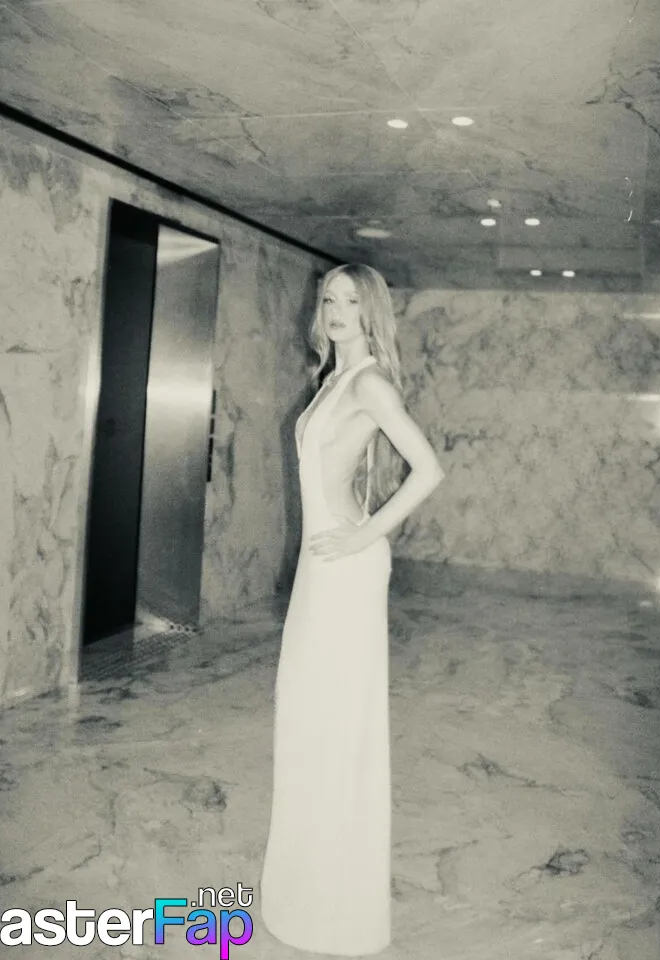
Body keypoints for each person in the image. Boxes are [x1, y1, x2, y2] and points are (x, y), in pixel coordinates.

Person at [260, 263, 444, 955]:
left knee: (337, 721)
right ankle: (310, 883)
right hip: (323, 565)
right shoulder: (332, 379)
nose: (337, 310)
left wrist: (364, 537)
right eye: (329, 298)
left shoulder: (369, 382)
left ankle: (338, 907)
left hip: (346, 566)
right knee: (310, 713)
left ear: (372, 313)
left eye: (351, 301)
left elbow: (429, 470)